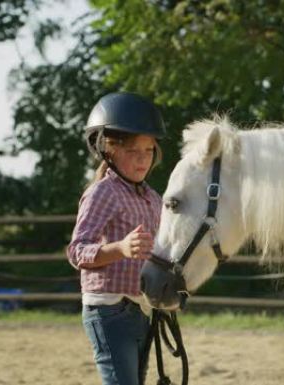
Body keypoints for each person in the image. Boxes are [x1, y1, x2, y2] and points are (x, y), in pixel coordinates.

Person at [67, 92, 166, 385]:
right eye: (133, 151)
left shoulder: (152, 198)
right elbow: (77, 251)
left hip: (140, 308)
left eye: (148, 150)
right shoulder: (102, 192)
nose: (143, 159)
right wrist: (121, 248)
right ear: (108, 150)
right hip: (108, 309)